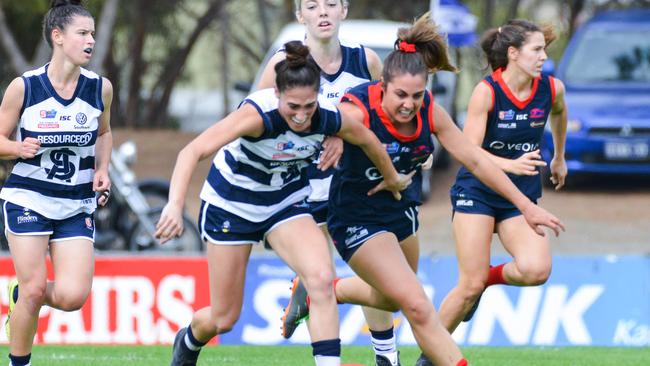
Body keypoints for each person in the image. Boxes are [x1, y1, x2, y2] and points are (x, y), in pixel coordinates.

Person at [283, 13, 566, 366]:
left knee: (388, 299)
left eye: (417, 96)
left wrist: (527, 206)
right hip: (356, 216)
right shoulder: (357, 110)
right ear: (382, 84)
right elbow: (318, 118)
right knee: (416, 303)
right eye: (400, 94)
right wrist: (334, 135)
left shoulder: (430, 111)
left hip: (401, 211)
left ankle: (320, 292)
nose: (408, 104)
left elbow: (476, 161)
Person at [155, 41, 412, 366]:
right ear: (277, 95)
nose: (302, 116)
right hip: (233, 204)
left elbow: (367, 139)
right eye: (293, 107)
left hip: (284, 202)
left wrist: (391, 178)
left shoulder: (327, 118)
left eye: (309, 106)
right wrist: (175, 206)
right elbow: (191, 152)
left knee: (320, 279)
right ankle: (189, 340)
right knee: (223, 318)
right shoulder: (256, 116)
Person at [257, 2, 403, 365]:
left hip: (351, 186)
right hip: (300, 189)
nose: (322, 11)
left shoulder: (365, 60)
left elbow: (378, 115)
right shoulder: (283, 65)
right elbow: (256, 120)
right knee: (319, 277)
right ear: (299, 16)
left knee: (376, 277)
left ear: (344, 11)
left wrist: (346, 131)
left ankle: (386, 355)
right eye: (311, 5)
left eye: (331, 4)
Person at [420, 19, 569, 364]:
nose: (543, 57)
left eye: (544, 50)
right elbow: (468, 150)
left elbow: (560, 114)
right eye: (536, 50)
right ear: (513, 53)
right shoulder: (487, 91)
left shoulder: (552, 88)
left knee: (536, 270)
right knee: (467, 287)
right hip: (478, 193)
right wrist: (509, 164)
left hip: (519, 198)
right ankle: (428, 358)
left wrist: (559, 156)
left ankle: (487, 277)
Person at [0, 1, 113, 365]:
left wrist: (102, 169)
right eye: (83, 33)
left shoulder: (100, 89)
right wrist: (17, 147)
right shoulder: (25, 87)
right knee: (35, 289)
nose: (90, 40)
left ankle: (21, 297)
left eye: (93, 33)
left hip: (76, 203)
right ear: (58, 36)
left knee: (71, 296)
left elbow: (105, 132)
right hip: (28, 199)